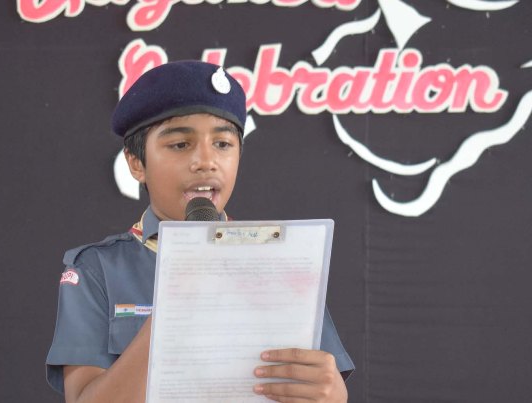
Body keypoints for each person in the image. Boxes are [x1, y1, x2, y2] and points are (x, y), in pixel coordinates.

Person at [46, 60, 354, 402]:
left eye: (223, 144)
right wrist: (173, 305)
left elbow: (326, 389)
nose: (206, 161)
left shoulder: (282, 263)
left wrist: (332, 393)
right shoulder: (96, 270)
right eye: (180, 145)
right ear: (136, 163)